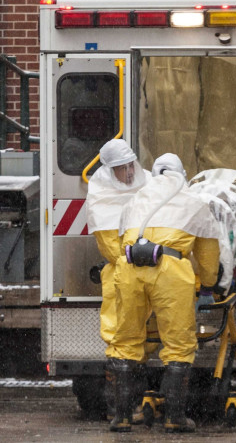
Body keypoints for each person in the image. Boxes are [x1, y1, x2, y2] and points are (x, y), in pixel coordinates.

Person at [106, 153, 221, 433]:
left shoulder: (135, 200)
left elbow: (122, 241)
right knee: (179, 344)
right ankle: (174, 417)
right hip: (169, 270)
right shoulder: (194, 202)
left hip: (130, 266)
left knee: (125, 341)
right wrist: (208, 283)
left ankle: (121, 417)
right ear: (182, 174)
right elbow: (208, 258)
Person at [86, 139, 150, 423]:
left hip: (147, 268)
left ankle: (137, 402)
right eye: (122, 168)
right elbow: (110, 246)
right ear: (111, 170)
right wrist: (135, 258)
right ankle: (120, 407)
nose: (128, 173)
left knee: (147, 337)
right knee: (120, 337)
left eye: (129, 166)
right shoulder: (102, 195)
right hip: (122, 273)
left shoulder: (145, 183)